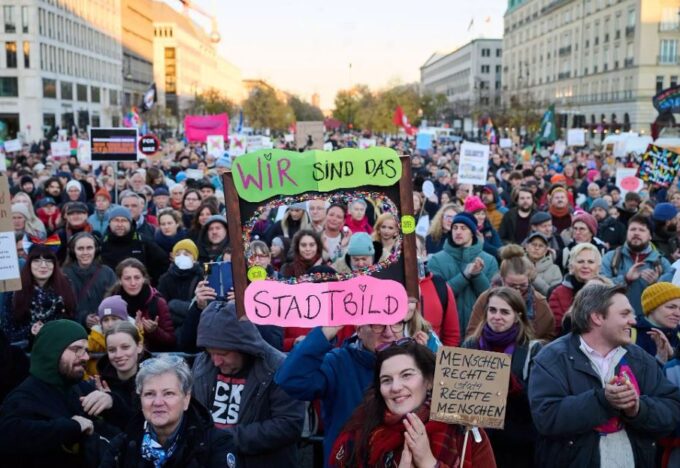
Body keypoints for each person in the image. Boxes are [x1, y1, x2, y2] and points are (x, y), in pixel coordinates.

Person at [529, 283, 680, 468]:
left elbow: (672, 409)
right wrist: (603, 400)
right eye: (624, 314)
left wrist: (638, 409)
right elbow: (546, 418)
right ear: (597, 317)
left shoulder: (640, 358)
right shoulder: (552, 358)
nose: (633, 321)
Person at [330, 339, 496, 468]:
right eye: (386, 380)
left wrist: (428, 462)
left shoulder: (465, 432)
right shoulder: (361, 431)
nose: (395, 387)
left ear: (429, 380)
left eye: (406, 375)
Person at [275, 319, 407, 466]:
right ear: (359, 329)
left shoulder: (413, 363)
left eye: (397, 323)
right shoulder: (338, 362)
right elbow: (290, 380)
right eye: (378, 324)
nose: (389, 333)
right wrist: (325, 333)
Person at [0, 320, 128, 467]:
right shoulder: (23, 398)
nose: (86, 357)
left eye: (86, 350)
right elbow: (9, 438)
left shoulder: (80, 387)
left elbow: (132, 425)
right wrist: (72, 427)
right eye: (77, 349)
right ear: (52, 351)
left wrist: (112, 402)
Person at [193, 300, 305, 467]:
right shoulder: (202, 363)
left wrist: (223, 439)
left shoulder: (280, 368)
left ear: (244, 346)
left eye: (223, 353)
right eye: (210, 353)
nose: (216, 361)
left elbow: (289, 424)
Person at [101, 355, 236, 468]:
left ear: (186, 399)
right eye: (149, 394)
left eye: (168, 393)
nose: (158, 402)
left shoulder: (217, 444)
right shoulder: (121, 446)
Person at [463, 287, 541, 468]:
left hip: (517, 445)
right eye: (492, 310)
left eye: (505, 312)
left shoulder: (533, 349)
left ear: (517, 316)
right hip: (477, 440)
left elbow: (537, 402)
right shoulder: (470, 345)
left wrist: (512, 385)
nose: (497, 316)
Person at [466, 244, 555, 340]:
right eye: (512, 286)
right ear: (502, 279)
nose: (517, 290)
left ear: (529, 280)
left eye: (523, 285)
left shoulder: (539, 303)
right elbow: (472, 334)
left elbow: (548, 337)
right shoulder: (486, 298)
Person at [428, 212, 499, 332]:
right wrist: (464, 276)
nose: (458, 232)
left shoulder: (490, 260)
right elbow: (437, 296)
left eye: (463, 228)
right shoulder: (436, 260)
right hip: (447, 329)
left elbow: (492, 297)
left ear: (472, 232)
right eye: (455, 228)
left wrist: (477, 274)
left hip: (479, 330)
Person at [1, 245, 77, 347]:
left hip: (58, 348)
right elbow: (7, 333)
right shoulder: (14, 290)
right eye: (37, 261)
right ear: (29, 264)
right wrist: (30, 331)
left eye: (48, 261)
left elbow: (72, 322)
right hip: (25, 351)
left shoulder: (65, 285)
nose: (43, 265)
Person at [601, 214, 672, 317]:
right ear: (627, 233)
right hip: (615, 319)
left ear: (650, 236)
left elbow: (672, 296)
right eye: (632, 229)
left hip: (649, 321)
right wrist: (625, 279)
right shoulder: (610, 258)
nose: (636, 233)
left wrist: (656, 284)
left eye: (641, 230)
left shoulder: (663, 263)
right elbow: (600, 289)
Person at [108, 258, 176, 351]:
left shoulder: (158, 303)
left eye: (137, 278)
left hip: (151, 357)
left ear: (144, 279)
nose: (133, 283)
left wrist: (154, 331)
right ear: (120, 280)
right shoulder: (111, 303)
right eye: (127, 278)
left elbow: (171, 340)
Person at [100, 206, 169, 284]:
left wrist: (151, 284)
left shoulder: (142, 242)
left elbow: (163, 263)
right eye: (116, 220)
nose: (119, 224)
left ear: (130, 223)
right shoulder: (102, 244)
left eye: (124, 220)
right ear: (109, 223)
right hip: (111, 289)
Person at [63, 232, 117, 327]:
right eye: (80, 248)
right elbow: (63, 308)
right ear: (73, 251)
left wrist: (102, 316)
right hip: (74, 328)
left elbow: (115, 302)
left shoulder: (108, 273)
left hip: (104, 327)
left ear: (96, 250)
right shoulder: (64, 274)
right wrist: (83, 318)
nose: (85, 252)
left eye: (89, 248)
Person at [96, 320, 150, 416]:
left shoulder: (154, 381)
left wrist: (114, 403)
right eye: (112, 350)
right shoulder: (101, 384)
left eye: (125, 347)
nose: (118, 355)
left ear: (139, 347)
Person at [549, 242, 602, 335]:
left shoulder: (608, 292)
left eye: (591, 262)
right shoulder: (557, 293)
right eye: (580, 261)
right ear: (571, 267)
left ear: (598, 268)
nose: (585, 266)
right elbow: (557, 330)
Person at [158, 239, 203, 334]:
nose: (182, 257)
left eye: (186, 254)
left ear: (194, 258)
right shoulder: (165, 279)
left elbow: (201, 308)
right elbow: (162, 308)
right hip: (172, 329)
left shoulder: (202, 277)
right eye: (178, 254)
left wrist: (173, 304)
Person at [635, 283, 680, 364]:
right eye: (671, 307)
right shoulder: (629, 334)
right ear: (652, 307)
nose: (678, 314)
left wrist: (673, 356)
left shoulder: (678, 334)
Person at [523, 231, 562, 296]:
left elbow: (554, 295)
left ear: (546, 250)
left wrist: (535, 279)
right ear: (526, 247)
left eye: (541, 246)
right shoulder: (517, 264)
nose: (537, 248)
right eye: (534, 244)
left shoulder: (555, 269)